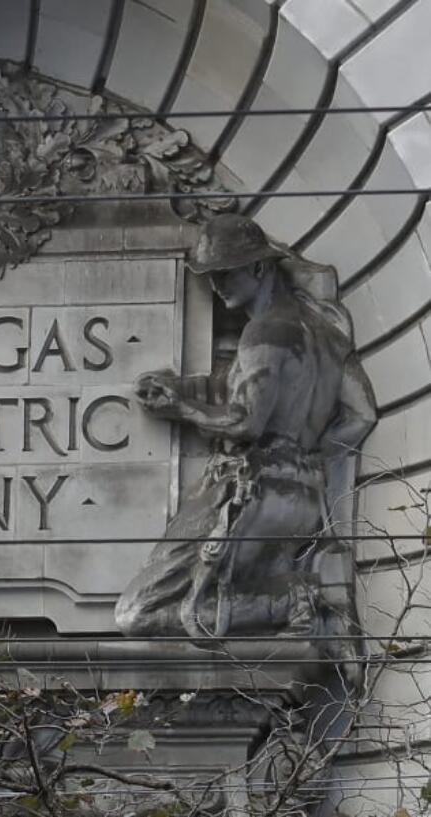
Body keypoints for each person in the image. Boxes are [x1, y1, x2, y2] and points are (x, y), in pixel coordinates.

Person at [114, 214, 376, 641]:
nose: (216, 286)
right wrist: (307, 458)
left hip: (247, 495)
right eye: (211, 277)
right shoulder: (327, 332)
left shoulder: (263, 333)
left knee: (136, 613)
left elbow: (244, 421)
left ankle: (296, 603)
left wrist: (179, 406)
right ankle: (295, 601)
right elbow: (361, 414)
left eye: (224, 274)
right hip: (301, 498)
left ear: (259, 267)